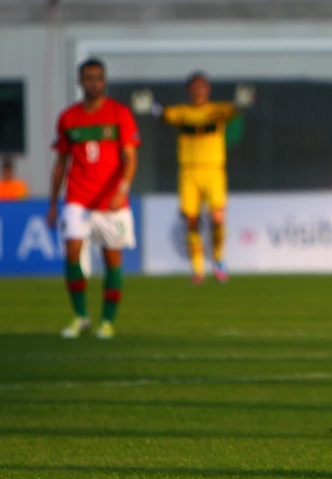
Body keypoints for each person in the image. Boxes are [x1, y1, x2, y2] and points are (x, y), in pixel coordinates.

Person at [47, 57, 140, 340]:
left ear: (105, 81)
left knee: (112, 258)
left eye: (98, 78)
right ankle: (81, 317)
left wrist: (121, 190)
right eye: (88, 78)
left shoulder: (119, 114)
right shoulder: (68, 118)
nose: (94, 83)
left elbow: (130, 157)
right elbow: (61, 163)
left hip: (111, 200)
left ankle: (107, 322)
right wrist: (53, 203)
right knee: (72, 250)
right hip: (77, 197)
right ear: (80, 81)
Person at [132, 73, 253, 284]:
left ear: (208, 89)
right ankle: (197, 269)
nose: (199, 90)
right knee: (192, 221)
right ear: (189, 90)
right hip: (189, 172)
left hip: (213, 170)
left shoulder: (217, 111)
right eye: (195, 86)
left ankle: (218, 260)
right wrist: (150, 107)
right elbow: (163, 113)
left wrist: (241, 103)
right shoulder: (182, 112)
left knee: (217, 217)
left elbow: (235, 109)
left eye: (203, 86)